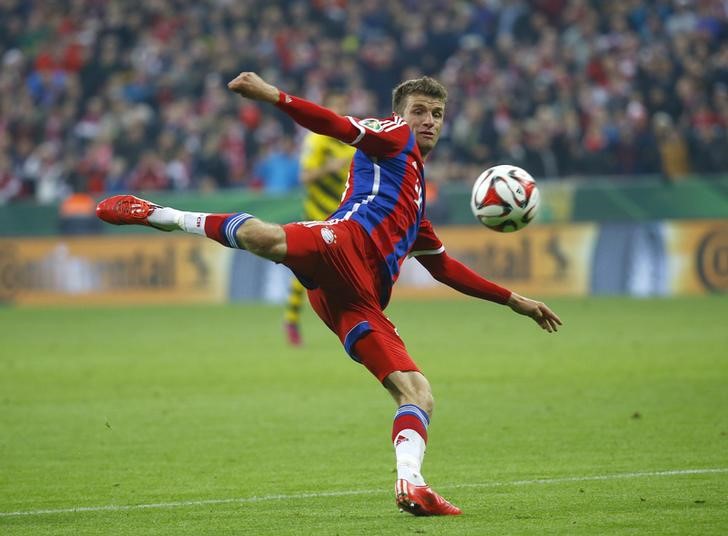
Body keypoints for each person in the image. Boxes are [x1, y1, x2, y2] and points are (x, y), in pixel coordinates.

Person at [96, 72, 562, 516]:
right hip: (345, 244)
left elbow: (443, 268)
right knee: (269, 239)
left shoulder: (416, 196)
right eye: (420, 110)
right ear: (399, 115)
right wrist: (272, 96)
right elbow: (337, 125)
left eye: (437, 114)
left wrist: (512, 300)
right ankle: (157, 212)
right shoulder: (393, 136)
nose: (429, 121)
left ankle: (412, 483)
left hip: (357, 300)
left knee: (417, 392)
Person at [284, 91, 356, 346]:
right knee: (304, 267)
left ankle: (350, 320)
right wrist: (329, 168)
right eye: (335, 106)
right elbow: (305, 177)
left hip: (342, 213)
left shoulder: (351, 140)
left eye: (343, 106)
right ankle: (291, 320)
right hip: (317, 212)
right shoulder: (317, 140)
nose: (339, 111)